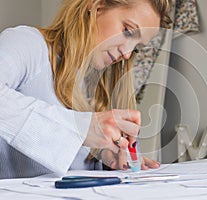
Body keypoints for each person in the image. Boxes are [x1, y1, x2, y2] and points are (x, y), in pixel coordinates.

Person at [0, 0, 172, 178]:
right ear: (97, 5)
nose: (127, 53)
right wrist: (82, 129)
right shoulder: (27, 44)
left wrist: (105, 159)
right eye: (128, 31)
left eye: (136, 48)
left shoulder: (99, 84)